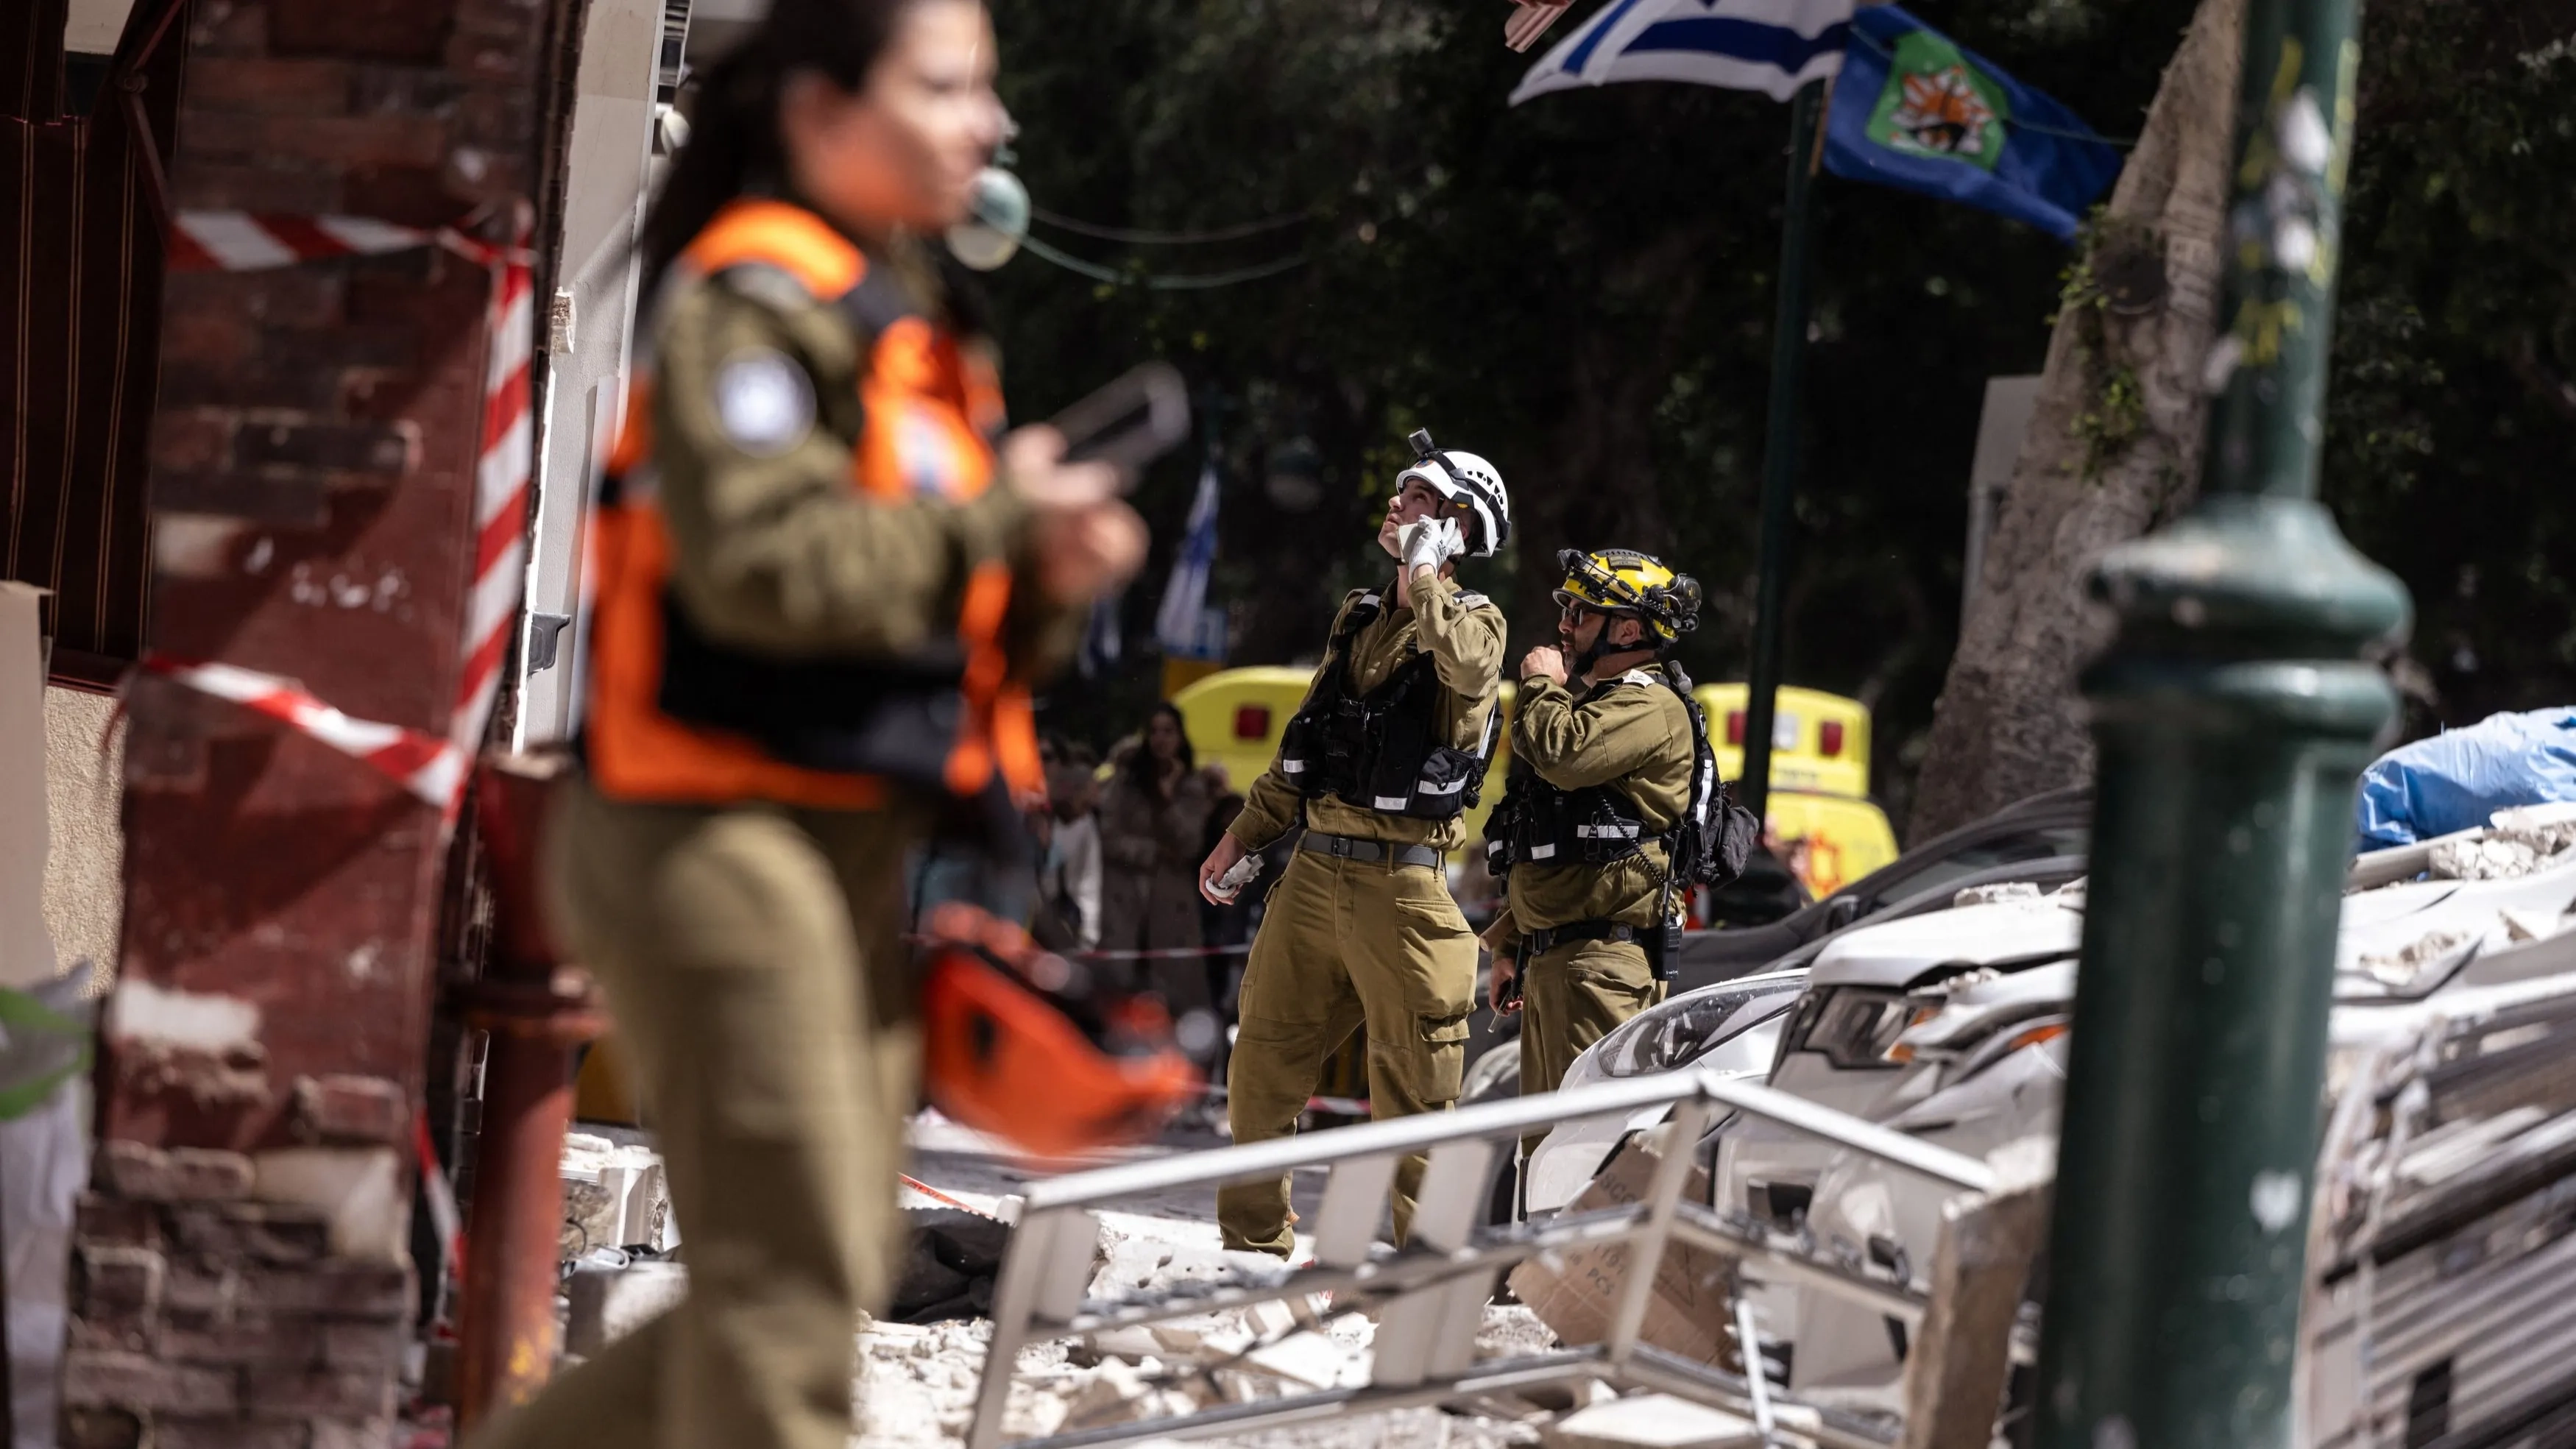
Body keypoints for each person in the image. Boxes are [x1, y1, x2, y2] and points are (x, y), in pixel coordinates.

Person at [486, 1, 1145, 1445]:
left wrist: (1046, 574)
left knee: (814, 1265)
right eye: (948, 87)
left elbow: (932, 623)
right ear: (821, 113)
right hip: (710, 838)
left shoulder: (913, 324)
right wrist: (995, 518)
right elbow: (763, 566)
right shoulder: (754, 302)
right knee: (786, 1301)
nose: (992, 125)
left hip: (843, 843)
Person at [1197, 430, 1511, 1255]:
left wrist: (1425, 571)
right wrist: (1243, 836)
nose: (1396, 505)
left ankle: (1420, 1273)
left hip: (1403, 891)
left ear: (1455, 525)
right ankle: (1253, 1245)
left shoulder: (1477, 623)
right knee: (1262, 1062)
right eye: (1403, 493)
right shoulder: (1360, 614)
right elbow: (1304, 747)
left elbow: (1467, 670)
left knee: (1415, 1100)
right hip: (1313, 871)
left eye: (1418, 498)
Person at [1482, 550, 1705, 1144]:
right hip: (1563, 963)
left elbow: (1562, 753)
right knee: (1544, 1155)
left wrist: (1539, 683)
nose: (1565, 625)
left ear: (1628, 630)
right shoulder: (1604, 703)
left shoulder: (1650, 705)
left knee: (1589, 1152)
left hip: (1601, 968)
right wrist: (1514, 944)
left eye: (1581, 613)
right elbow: (1564, 850)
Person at [1097, 702, 1224, 959]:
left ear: (1180, 737)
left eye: (1168, 731)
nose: (1160, 739)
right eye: (1154, 731)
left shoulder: (1191, 786)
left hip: (1171, 899)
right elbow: (1107, 835)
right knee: (1120, 970)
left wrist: (1167, 801)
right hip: (1124, 894)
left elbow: (1190, 845)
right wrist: (1150, 852)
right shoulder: (1126, 783)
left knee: (1170, 972)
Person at [1037, 741, 1103, 950]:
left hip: (1063, 916)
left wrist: (1089, 933)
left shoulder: (1084, 824)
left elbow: (1089, 880)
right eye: (1083, 803)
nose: (1084, 811)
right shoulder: (1029, 816)